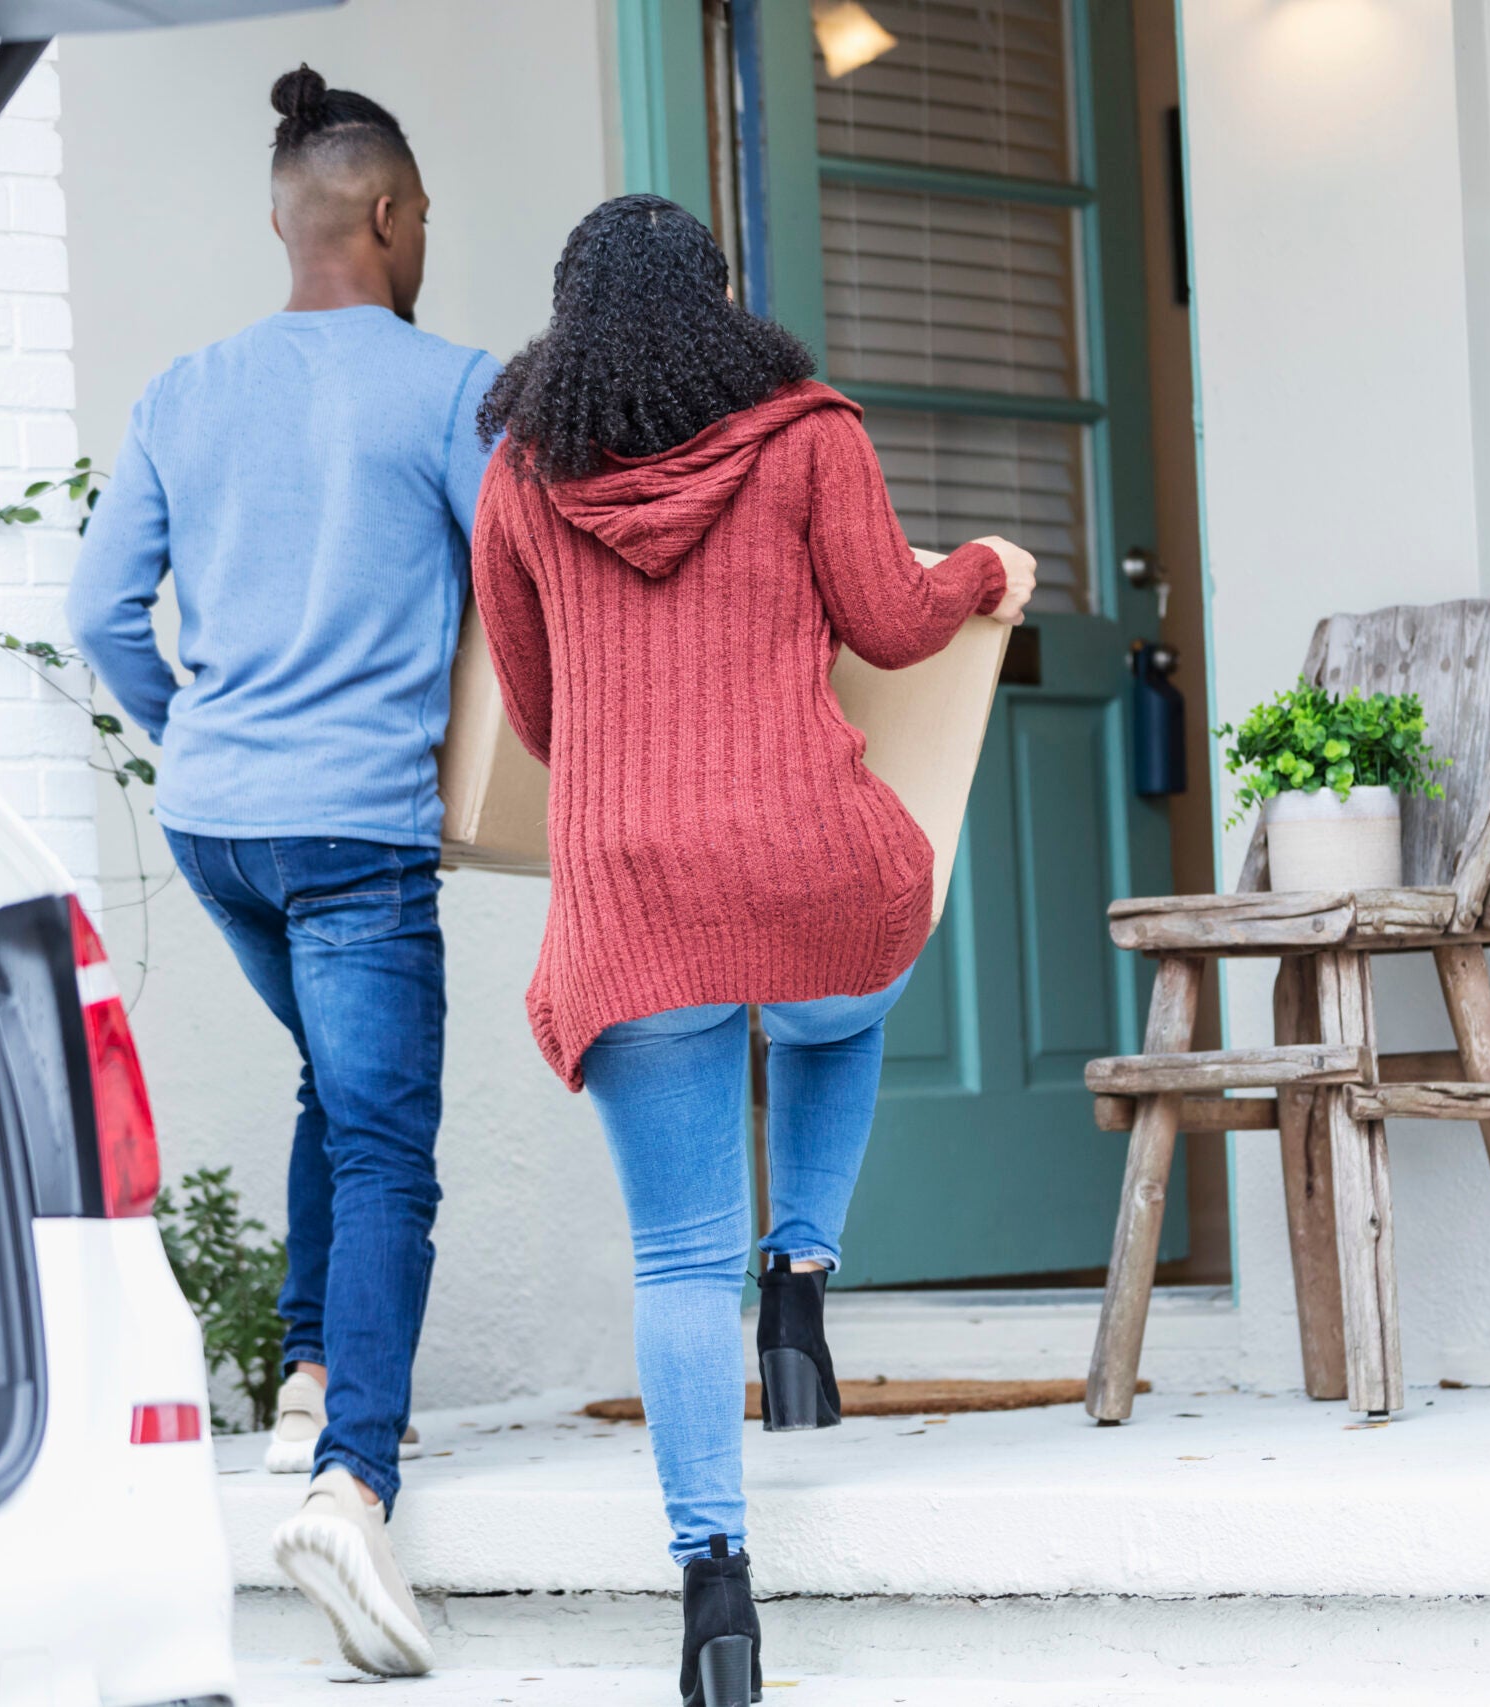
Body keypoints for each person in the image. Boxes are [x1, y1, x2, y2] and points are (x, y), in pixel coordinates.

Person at [469, 194, 1035, 1707]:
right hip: (803, 865)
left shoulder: (519, 475)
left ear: (569, 321)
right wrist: (985, 568)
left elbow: (538, 717)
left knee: (673, 1259)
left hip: (631, 897)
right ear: (719, 307)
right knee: (839, 1007)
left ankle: (715, 1592)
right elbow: (896, 625)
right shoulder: (808, 433)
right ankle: (802, 1276)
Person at [66, 65, 495, 1679]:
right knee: (387, 1144)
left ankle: (308, 1380)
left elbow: (100, 612)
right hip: (354, 827)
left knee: (337, 1084)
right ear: (387, 214)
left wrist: (199, 732)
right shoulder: (450, 388)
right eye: (423, 214)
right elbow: (523, 600)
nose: (425, 235)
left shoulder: (185, 389)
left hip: (218, 822)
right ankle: (350, 1489)